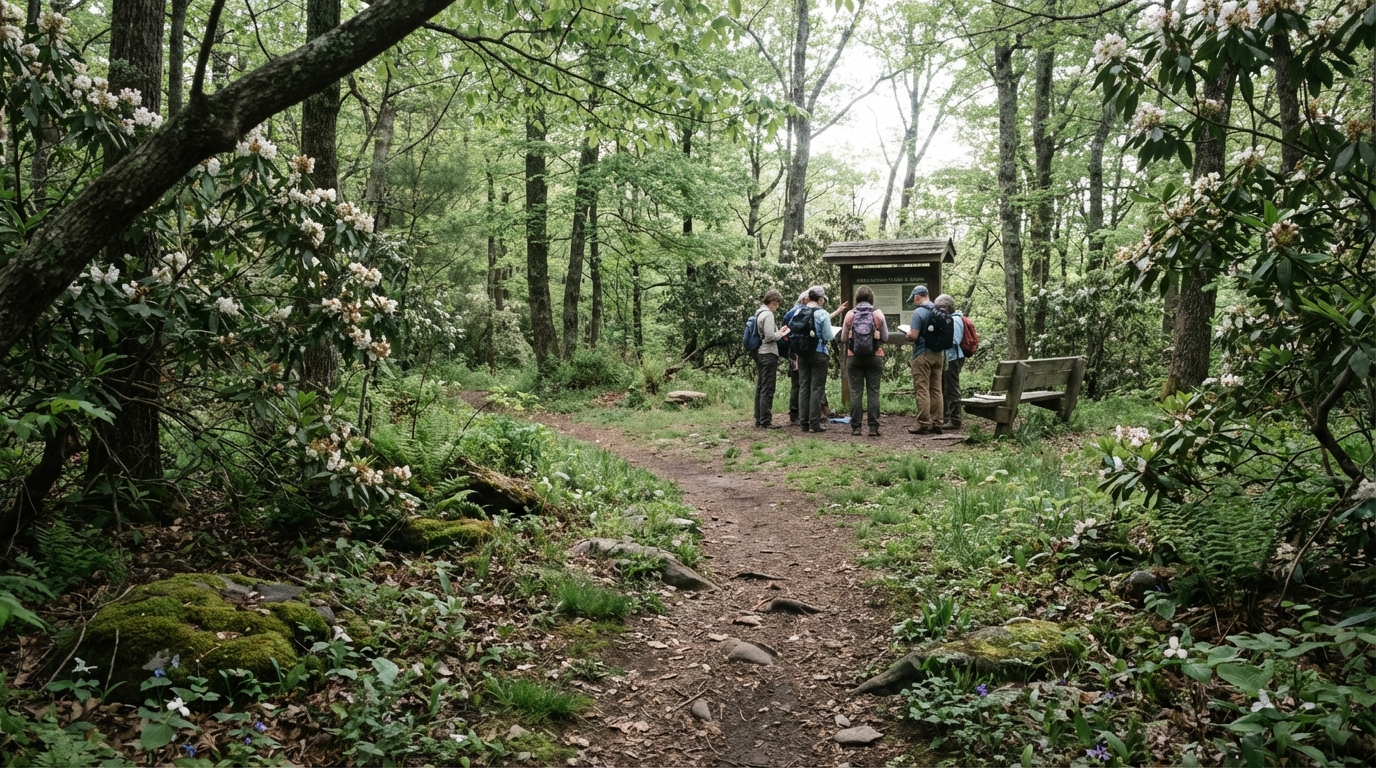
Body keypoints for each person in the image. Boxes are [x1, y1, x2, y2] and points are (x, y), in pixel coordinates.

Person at [840, 285, 890, 437]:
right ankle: (873, 428)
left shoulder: (850, 315)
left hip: (853, 357)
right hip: (875, 356)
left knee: (856, 392)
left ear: (857, 298)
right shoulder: (878, 314)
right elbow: (886, 338)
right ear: (871, 298)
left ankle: (856, 428)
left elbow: (843, 339)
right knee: (873, 392)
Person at [797, 285, 838, 433]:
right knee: (816, 388)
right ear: (820, 299)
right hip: (819, 352)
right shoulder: (822, 314)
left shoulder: (798, 311)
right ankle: (814, 424)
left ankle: (803, 423)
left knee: (804, 387)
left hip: (802, 353)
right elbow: (828, 336)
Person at [905, 285, 944, 435]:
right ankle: (937, 422)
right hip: (938, 355)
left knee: (922, 388)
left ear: (917, 297)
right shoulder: (939, 310)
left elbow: (914, 336)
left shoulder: (919, 312)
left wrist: (908, 335)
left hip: (922, 355)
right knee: (936, 389)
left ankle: (923, 423)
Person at [753, 289, 788, 429]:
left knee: (761, 386)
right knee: (768, 387)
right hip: (768, 353)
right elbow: (769, 337)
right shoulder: (768, 315)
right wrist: (781, 333)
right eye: (777, 304)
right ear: (773, 302)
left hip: (761, 353)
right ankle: (766, 420)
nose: (777, 307)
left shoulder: (758, 313)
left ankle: (759, 418)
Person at [780, 290, 810, 425]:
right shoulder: (806, 312)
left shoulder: (790, 312)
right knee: (804, 383)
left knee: (795, 383)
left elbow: (785, 330)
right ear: (804, 299)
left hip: (793, 350)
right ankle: (803, 413)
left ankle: (793, 412)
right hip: (804, 350)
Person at [936, 293, 964, 431]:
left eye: (940, 307)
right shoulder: (951, 319)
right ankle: (947, 417)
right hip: (950, 357)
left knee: (952, 388)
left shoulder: (955, 320)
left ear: (946, 307)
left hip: (953, 358)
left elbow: (954, 340)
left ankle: (955, 420)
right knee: (946, 387)